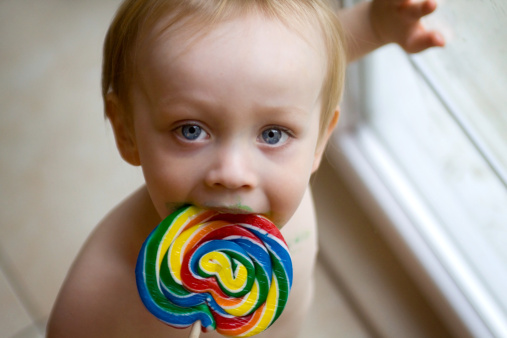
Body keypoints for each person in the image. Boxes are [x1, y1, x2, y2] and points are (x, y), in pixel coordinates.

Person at [47, 0, 444, 337]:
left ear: (321, 139)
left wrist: (373, 25)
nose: (233, 173)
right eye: (191, 130)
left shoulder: (283, 81)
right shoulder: (100, 300)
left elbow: (308, 65)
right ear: (127, 132)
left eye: (272, 134)